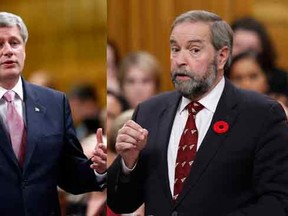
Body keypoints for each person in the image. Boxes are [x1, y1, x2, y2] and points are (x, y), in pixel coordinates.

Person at [107, 10, 288, 216]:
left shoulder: (261, 114)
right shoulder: (149, 112)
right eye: (175, 49)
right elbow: (120, 203)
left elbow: (278, 202)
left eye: (194, 50)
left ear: (221, 57)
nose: (180, 60)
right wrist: (128, 164)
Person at [0, 12, 107, 215]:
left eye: (14, 43)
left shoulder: (55, 102)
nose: (8, 51)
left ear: (24, 49)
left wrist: (98, 169)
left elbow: (70, 175)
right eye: (0, 44)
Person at [231, 17, 288, 96]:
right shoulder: (216, 78)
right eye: (238, 46)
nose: (244, 53)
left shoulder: (282, 81)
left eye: (251, 48)